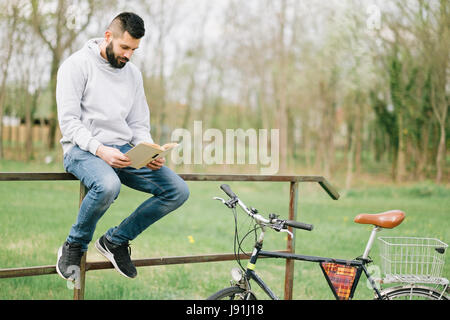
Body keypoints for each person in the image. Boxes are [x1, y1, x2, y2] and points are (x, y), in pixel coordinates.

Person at [55, 12, 189, 280]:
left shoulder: (133, 75)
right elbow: (69, 123)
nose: (128, 55)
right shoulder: (76, 65)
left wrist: (148, 149)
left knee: (177, 191)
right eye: (124, 47)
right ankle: (74, 245)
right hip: (81, 149)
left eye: (134, 50)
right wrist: (100, 150)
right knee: (108, 185)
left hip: (122, 150)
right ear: (108, 37)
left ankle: (115, 241)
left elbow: (138, 123)